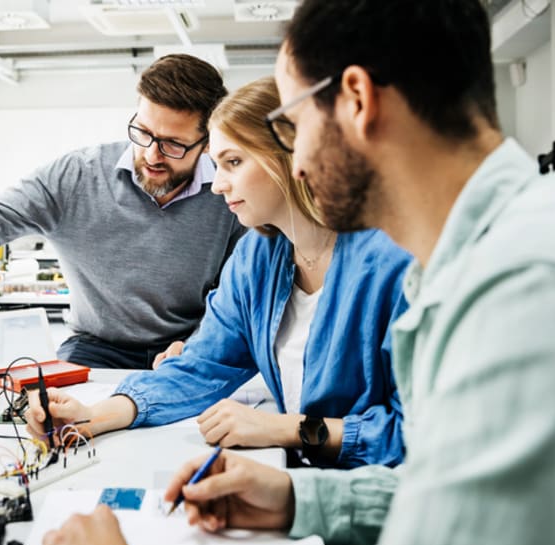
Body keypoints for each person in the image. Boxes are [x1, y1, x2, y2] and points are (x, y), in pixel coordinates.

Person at [35, 1, 555, 545]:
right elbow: (446, 500)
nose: (296, 160)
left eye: (292, 123)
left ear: (358, 101)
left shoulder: (522, 285)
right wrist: (296, 497)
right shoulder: (473, 260)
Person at [27, 77, 410, 468]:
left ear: (292, 154)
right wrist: (95, 417)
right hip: (305, 481)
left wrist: (287, 429)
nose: (217, 185)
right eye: (217, 164)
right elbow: (202, 367)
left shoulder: (394, 262)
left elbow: (414, 433)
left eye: (233, 162)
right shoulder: (258, 256)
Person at [0, 54, 244, 370]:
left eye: (173, 144)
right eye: (142, 132)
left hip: (189, 346)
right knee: (55, 424)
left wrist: (201, 342)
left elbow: (239, 293)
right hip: (94, 347)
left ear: (207, 143)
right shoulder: (78, 176)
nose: (152, 155)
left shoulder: (229, 193)